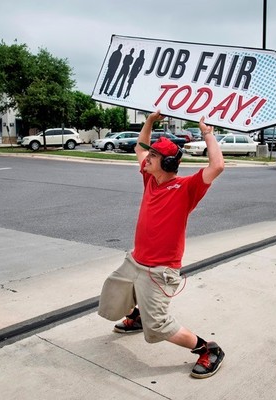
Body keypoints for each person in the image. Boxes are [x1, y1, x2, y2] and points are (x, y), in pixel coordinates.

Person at [98, 110, 225, 379]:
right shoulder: (150, 179)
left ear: (167, 164)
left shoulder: (187, 188)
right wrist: (149, 122)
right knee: (112, 293)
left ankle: (208, 349)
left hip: (160, 271)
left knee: (158, 326)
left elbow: (217, 167)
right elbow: (139, 147)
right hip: (135, 261)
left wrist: (208, 134)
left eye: (153, 157)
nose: (146, 159)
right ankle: (138, 315)